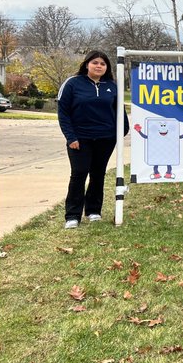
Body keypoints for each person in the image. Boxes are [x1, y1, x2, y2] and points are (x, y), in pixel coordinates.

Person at [56, 50, 130, 229]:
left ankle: (93, 211)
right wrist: (70, 136)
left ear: (107, 67)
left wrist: (122, 132)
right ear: (87, 64)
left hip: (105, 138)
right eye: (95, 62)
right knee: (79, 174)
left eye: (103, 64)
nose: (99, 66)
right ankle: (72, 215)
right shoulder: (73, 83)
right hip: (80, 139)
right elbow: (63, 113)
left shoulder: (112, 86)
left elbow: (119, 112)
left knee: (98, 174)